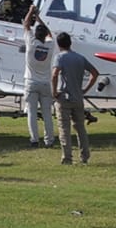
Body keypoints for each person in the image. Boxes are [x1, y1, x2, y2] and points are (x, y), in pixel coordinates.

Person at [53, 32, 101, 165]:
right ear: (70, 43)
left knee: (64, 128)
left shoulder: (60, 57)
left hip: (64, 97)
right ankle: (84, 156)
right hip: (78, 97)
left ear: (58, 45)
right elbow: (95, 73)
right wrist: (85, 89)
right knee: (80, 128)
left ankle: (67, 157)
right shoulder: (80, 58)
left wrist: (54, 92)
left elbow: (54, 75)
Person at [22, 20, 59, 148]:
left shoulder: (31, 43)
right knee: (47, 113)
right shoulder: (50, 45)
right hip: (45, 83)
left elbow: (26, 25)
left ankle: (34, 140)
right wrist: (38, 17)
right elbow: (49, 33)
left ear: (36, 34)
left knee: (32, 113)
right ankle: (49, 141)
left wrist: (31, 11)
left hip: (31, 82)